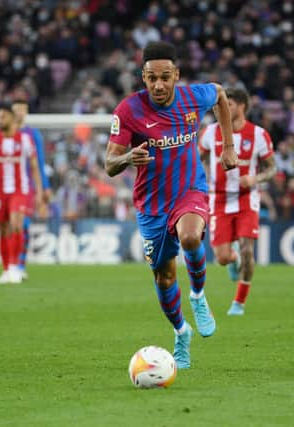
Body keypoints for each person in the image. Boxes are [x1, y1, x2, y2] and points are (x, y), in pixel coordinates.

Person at [104, 41, 238, 369]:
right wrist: (127, 157)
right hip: (151, 204)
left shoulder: (194, 97)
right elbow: (109, 164)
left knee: (191, 237)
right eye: (152, 78)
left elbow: (221, 95)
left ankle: (198, 296)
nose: (159, 85)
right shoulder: (128, 110)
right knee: (164, 277)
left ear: (176, 75)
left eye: (165, 77)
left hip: (189, 191)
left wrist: (228, 146)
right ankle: (181, 331)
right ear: (143, 78)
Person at [199, 88, 276, 316]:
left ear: (242, 106)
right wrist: (205, 174)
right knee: (222, 259)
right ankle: (231, 258)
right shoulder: (210, 133)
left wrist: (255, 178)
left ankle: (239, 303)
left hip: (246, 198)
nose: (222, 109)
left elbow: (272, 168)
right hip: (219, 199)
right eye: (219, 106)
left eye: (228, 104)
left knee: (247, 251)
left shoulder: (259, 135)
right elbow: (198, 157)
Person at [0, 102, 43, 284]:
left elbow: (35, 167)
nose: (0, 119)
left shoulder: (25, 140)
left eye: (3, 116)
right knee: (3, 228)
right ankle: (5, 270)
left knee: (16, 223)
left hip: (20, 189)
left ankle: (15, 267)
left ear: (12, 118)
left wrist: (39, 191)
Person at [12, 98, 51, 280]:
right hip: (6, 187)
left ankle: (20, 263)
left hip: (26, 187)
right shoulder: (4, 134)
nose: (20, 112)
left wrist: (44, 187)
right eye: (17, 109)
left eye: (23, 109)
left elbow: (40, 162)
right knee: (9, 226)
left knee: (24, 225)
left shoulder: (33, 134)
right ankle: (10, 263)